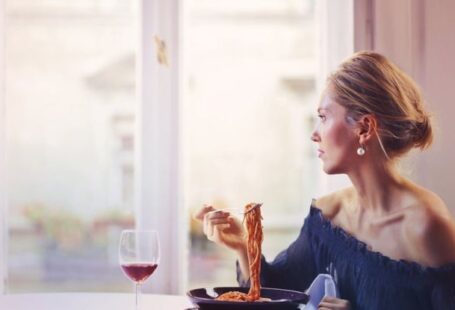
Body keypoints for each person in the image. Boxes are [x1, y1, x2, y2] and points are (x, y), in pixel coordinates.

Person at [194, 51, 455, 310]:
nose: (314, 134)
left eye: (323, 117)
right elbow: (277, 294)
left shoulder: (427, 226)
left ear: (364, 129)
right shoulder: (328, 216)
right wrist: (243, 246)